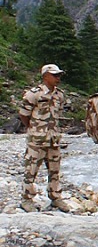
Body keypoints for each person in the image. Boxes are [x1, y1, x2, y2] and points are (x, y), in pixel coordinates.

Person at [18, 64, 69, 213]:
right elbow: (24, 114)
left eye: (59, 75)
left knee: (54, 170)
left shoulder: (59, 95)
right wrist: (33, 128)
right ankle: (26, 199)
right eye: (55, 75)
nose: (58, 78)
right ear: (45, 76)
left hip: (53, 139)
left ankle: (55, 197)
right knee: (31, 169)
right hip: (37, 140)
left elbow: (58, 114)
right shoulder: (34, 94)